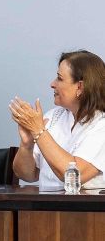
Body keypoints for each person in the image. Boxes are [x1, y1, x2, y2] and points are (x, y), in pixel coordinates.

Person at [11, 50, 105, 189]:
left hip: (84, 210)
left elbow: (73, 175)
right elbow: (26, 175)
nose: (52, 84)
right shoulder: (52, 116)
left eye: (60, 78)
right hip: (45, 207)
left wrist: (38, 131)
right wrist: (27, 145)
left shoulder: (101, 125)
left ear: (80, 87)